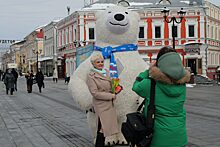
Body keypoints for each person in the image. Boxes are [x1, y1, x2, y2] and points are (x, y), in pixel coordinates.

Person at [132, 46, 190, 147]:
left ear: (159, 64)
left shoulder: (150, 84)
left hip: (158, 139)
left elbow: (136, 86)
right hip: (179, 137)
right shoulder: (182, 85)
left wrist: (149, 70)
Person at [86, 53, 120, 146]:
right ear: (93, 63)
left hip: (109, 104)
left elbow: (111, 86)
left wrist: (116, 88)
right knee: (101, 129)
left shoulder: (107, 72)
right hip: (101, 105)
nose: (101, 63)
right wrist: (111, 96)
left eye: (102, 61)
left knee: (105, 129)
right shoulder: (91, 76)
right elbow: (95, 93)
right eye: (98, 62)